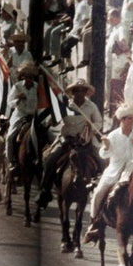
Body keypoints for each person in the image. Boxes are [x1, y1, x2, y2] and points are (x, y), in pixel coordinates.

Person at [84, 103, 133, 243]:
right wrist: (107, 146)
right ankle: (93, 223)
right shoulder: (113, 135)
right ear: (121, 119)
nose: (132, 121)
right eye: (129, 118)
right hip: (115, 169)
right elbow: (103, 154)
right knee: (98, 192)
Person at [38, 79, 103, 208]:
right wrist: (53, 119)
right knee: (50, 159)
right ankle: (45, 191)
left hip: (85, 141)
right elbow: (54, 121)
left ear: (85, 92)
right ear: (72, 92)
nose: (79, 93)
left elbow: (99, 122)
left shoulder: (91, 106)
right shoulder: (65, 105)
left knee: (100, 160)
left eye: (82, 90)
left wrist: (92, 125)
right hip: (67, 140)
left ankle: (99, 193)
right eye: (76, 90)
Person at [4, 63, 39, 176]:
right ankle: (11, 161)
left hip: (33, 116)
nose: (29, 79)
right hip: (20, 114)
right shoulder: (17, 86)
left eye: (31, 77)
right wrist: (18, 100)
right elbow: (9, 103)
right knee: (10, 136)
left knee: (46, 135)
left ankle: (41, 160)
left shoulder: (38, 87)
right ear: (23, 76)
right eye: (27, 76)